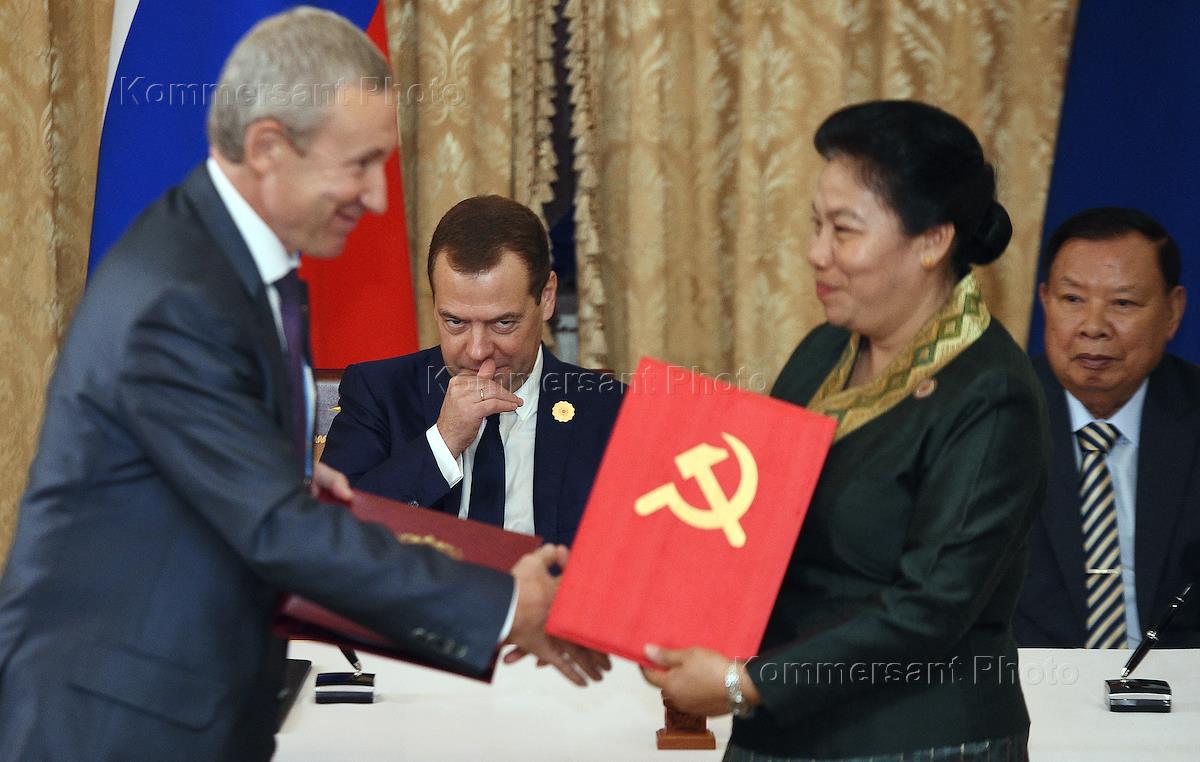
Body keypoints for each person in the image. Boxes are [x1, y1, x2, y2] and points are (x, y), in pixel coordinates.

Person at [0, 9, 603, 761]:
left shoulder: (236, 270)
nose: (377, 197)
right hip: (116, 717)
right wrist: (509, 602)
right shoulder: (178, 297)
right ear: (268, 149)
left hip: (191, 697)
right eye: (358, 165)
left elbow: (220, 487)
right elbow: (274, 531)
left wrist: (292, 481)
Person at [643, 100, 1049, 760]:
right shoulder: (823, 351)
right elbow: (750, 523)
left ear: (931, 241)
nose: (815, 253)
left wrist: (744, 684)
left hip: (918, 741)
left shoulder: (990, 393)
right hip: (781, 728)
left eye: (844, 230)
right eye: (815, 225)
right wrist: (650, 604)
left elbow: (929, 609)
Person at [320, 195, 624, 546]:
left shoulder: (611, 411)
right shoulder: (379, 393)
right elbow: (332, 537)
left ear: (547, 298)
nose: (478, 350)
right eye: (456, 322)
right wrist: (443, 442)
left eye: (503, 323)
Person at [1015, 207, 1200, 649]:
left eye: (1123, 303)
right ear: (1045, 301)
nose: (1094, 328)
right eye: (1072, 299)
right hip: (1027, 680)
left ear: (1173, 311)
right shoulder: (990, 415)